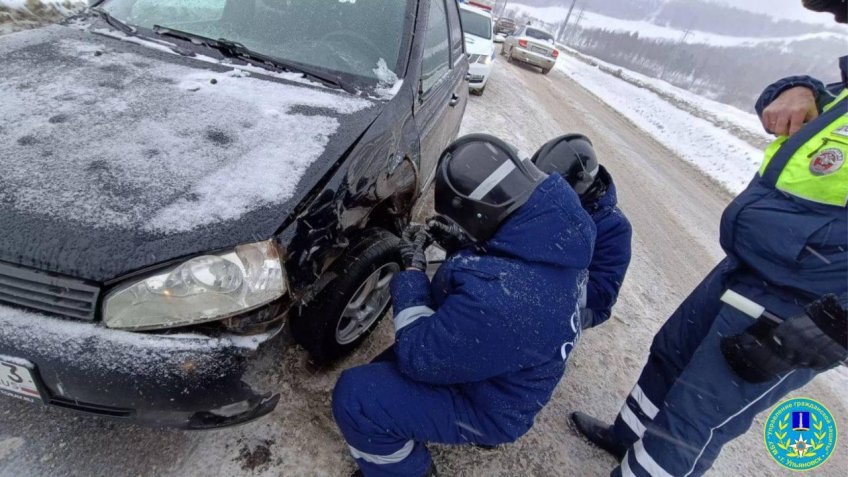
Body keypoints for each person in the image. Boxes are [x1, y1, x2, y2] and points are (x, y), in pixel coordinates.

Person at [568, 2, 848, 476]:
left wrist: (830, 327)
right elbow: (787, 118)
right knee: (669, 354)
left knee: (694, 418)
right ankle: (626, 438)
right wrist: (794, 88)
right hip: (747, 265)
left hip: (799, 304)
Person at [332, 134, 596, 477]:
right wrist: (465, 246)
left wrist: (413, 273)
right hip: (505, 369)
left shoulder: (504, 301)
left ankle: (409, 471)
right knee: (386, 368)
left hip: (490, 407)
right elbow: (508, 273)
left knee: (357, 397)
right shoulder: (557, 239)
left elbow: (419, 357)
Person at [532, 134, 633, 329]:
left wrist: (542, 289)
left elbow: (603, 292)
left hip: (582, 303)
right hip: (540, 276)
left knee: (534, 320)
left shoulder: (614, 228)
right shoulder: (550, 200)